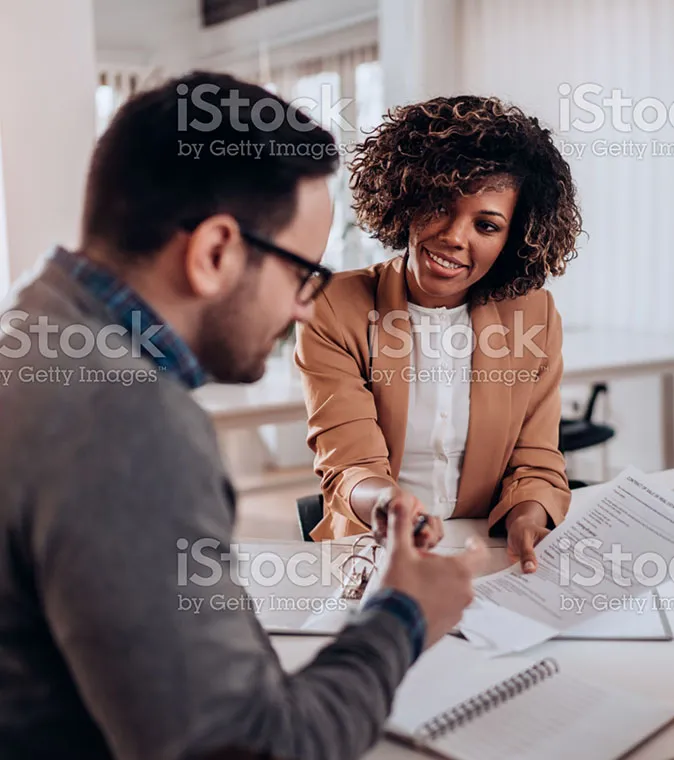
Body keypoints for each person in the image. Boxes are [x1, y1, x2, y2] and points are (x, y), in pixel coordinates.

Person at [0, 72, 487, 760]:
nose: (306, 308)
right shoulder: (125, 423)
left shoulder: (31, 330)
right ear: (215, 252)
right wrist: (404, 615)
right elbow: (247, 749)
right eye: (301, 274)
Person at [295, 95, 583, 572]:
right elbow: (350, 465)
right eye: (439, 205)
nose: (454, 236)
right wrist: (393, 509)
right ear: (406, 199)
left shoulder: (533, 314)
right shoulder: (333, 307)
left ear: (513, 240)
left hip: (490, 555)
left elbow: (535, 461)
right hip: (376, 547)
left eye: (486, 225)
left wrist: (529, 515)